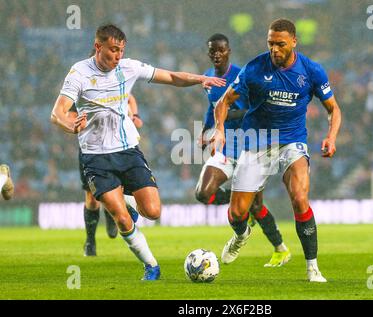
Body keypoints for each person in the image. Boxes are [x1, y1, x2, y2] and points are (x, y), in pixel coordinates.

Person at [51, 24, 225, 281]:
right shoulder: (79, 73)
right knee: (121, 218)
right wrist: (70, 125)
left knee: (153, 212)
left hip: (128, 151)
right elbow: (57, 113)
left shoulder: (128, 67)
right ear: (98, 47)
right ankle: (151, 266)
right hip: (96, 157)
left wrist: (201, 79)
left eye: (121, 50)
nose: (117, 55)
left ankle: (127, 207)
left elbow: (171, 77)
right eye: (112, 50)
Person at [210, 19, 342, 282]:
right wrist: (220, 129)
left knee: (299, 197)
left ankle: (312, 267)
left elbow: (333, 109)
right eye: (271, 43)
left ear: (294, 41)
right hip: (257, 142)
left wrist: (331, 136)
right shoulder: (254, 69)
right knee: (237, 214)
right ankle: (241, 234)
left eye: (280, 44)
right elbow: (223, 103)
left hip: (292, 141)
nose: (275, 49)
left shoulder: (312, 71)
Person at [195, 33, 291, 267]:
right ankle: (243, 228)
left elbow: (254, 110)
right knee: (203, 193)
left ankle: (280, 249)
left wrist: (225, 116)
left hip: (252, 146)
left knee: (256, 207)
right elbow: (213, 107)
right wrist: (207, 129)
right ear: (208, 53)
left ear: (229, 51)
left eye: (221, 50)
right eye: (212, 50)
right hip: (226, 146)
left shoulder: (242, 75)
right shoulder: (208, 77)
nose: (216, 54)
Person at [67, 93, 143, 257]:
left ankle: (111, 213)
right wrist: (76, 123)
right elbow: (70, 113)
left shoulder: (114, 84)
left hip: (117, 148)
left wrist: (135, 115)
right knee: (92, 198)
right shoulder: (83, 89)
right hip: (91, 150)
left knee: (117, 188)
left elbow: (130, 98)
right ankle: (90, 241)